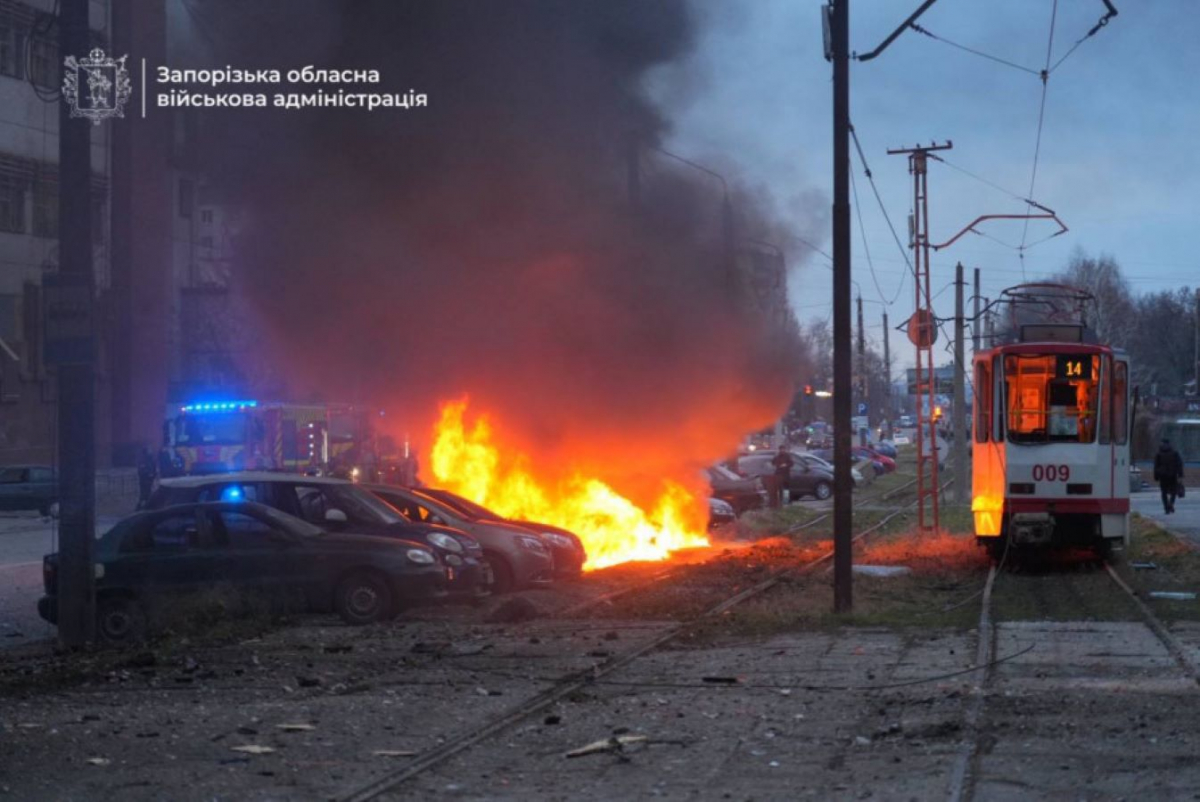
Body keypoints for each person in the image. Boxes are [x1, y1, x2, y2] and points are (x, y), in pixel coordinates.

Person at [1153, 438, 1185, 514]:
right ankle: (1171, 504)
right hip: (1172, 475)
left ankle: (1166, 508)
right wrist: (1180, 474)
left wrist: (1156, 476)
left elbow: (1156, 466)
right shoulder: (1174, 453)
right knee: (1173, 491)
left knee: (1163, 492)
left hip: (1162, 476)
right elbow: (1179, 464)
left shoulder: (1158, 454)